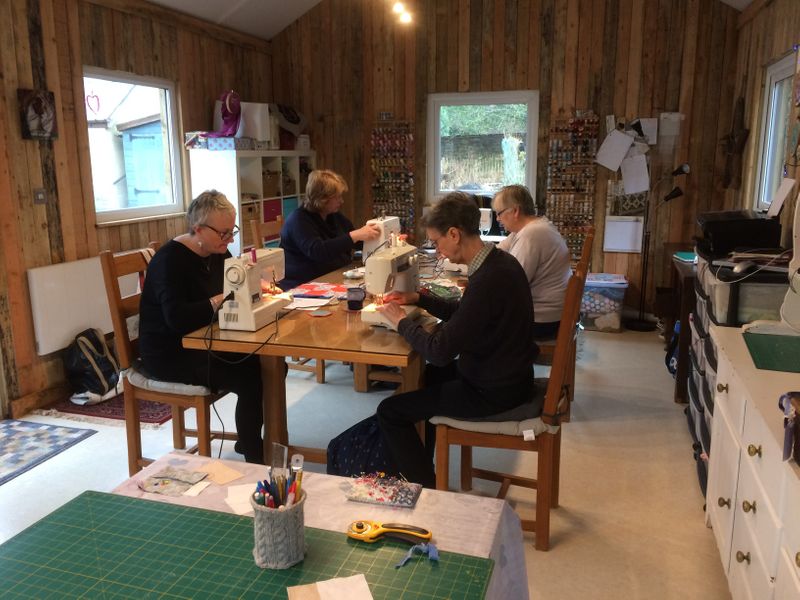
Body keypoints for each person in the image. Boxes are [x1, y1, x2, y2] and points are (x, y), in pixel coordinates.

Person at [374, 192, 538, 488]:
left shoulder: (488, 280)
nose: (438, 251)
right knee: (430, 378)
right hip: (509, 376)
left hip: (495, 391)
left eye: (437, 242)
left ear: (454, 233)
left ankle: (426, 488)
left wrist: (400, 322)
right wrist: (419, 298)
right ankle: (424, 464)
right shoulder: (498, 263)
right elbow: (465, 313)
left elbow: (439, 351)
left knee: (390, 411)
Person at [138, 190, 265, 464]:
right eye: (223, 233)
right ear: (197, 229)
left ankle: (248, 440)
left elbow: (236, 284)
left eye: (232, 231)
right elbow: (177, 319)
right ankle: (256, 459)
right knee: (250, 377)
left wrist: (256, 287)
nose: (230, 239)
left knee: (264, 363)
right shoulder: (169, 261)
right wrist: (217, 301)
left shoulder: (217, 251)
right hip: (169, 353)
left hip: (201, 340)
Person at [492, 184, 571, 339]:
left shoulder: (531, 234)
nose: (498, 219)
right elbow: (495, 252)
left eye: (499, 213)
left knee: (477, 323)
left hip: (541, 320)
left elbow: (512, 283)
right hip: (547, 314)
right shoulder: (530, 228)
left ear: (515, 211)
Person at [279, 169, 381, 289]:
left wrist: (378, 239)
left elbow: (356, 243)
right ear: (322, 198)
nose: (341, 201)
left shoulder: (332, 215)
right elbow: (318, 251)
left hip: (329, 277)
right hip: (304, 284)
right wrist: (355, 235)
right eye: (337, 197)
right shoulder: (298, 220)